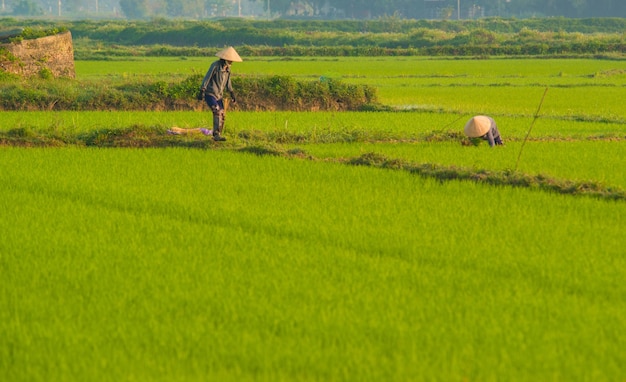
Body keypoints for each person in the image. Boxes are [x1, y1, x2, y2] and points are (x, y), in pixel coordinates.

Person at [199, 46, 243, 142]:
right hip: (210, 93)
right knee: (216, 110)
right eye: (230, 60)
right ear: (225, 59)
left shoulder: (227, 70)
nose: (231, 62)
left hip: (219, 95)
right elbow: (207, 77)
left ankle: (219, 133)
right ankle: (215, 135)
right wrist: (202, 89)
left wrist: (232, 93)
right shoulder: (215, 65)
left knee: (222, 114)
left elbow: (228, 82)